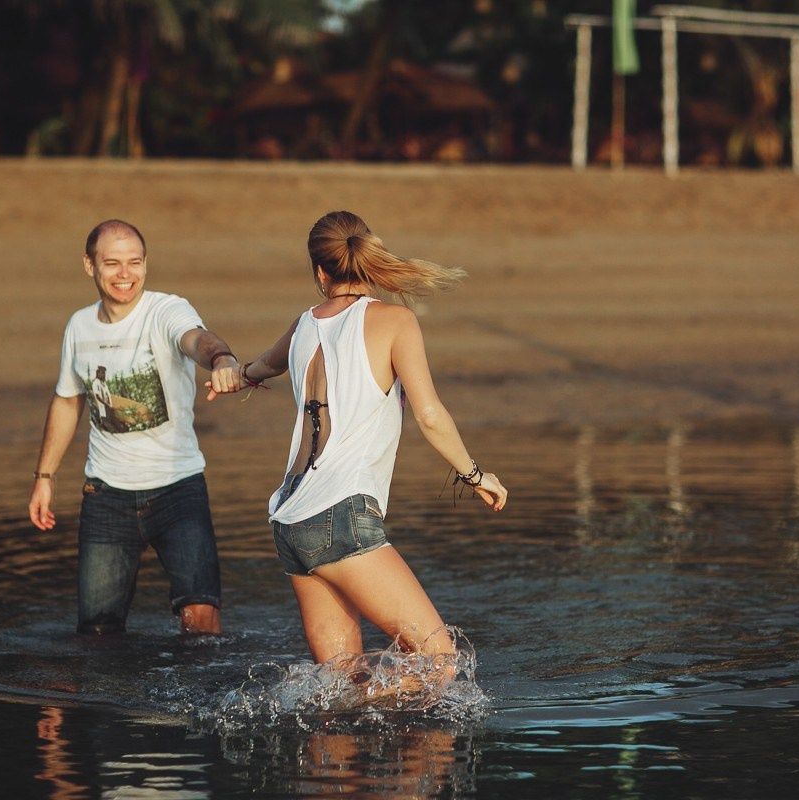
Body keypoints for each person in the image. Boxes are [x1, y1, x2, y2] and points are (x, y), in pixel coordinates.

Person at [217, 210, 507, 679]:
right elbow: (430, 415)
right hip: (341, 515)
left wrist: (234, 377)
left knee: (339, 682)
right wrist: (476, 476)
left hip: (289, 518)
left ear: (319, 272)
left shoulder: (302, 325)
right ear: (368, 255)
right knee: (443, 663)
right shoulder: (396, 321)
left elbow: (264, 366)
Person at [28, 219, 243, 635]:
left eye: (135, 262)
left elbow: (197, 340)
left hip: (178, 490)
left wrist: (221, 360)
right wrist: (44, 478)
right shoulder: (78, 326)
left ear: (146, 264)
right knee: (97, 633)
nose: (125, 274)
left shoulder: (166, 310)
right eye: (112, 263)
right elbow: (68, 400)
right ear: (89, 266)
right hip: (105, 497)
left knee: (201, 621)